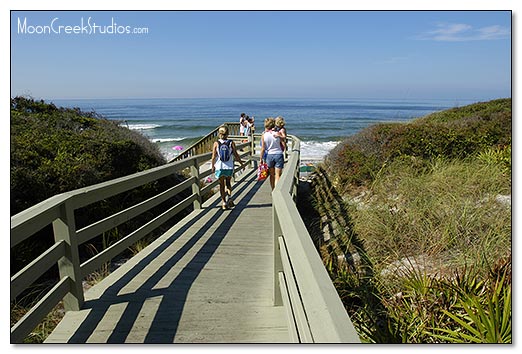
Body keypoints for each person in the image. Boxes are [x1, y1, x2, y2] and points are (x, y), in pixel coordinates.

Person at [211, 125, 245, 210]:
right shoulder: (231, 143)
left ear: (219, 134)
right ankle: (229, 197)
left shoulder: (216, 143)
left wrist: (212, 166)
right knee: (228, 183)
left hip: (219, 166)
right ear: (228, 134)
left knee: (222, 185)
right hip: (229, 166)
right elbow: (236, 155)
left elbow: (213, 156)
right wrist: (241, 164)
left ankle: (223, 202)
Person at [259, 117, 284, 190]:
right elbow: (283, 143)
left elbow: (263, 148)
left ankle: (273, 190)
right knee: (278, 175)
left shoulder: (264, 135)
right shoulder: (277, 133)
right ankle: (277, 191)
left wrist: (261, 158)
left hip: (269, 156)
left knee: (272, 175)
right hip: (278, 154)